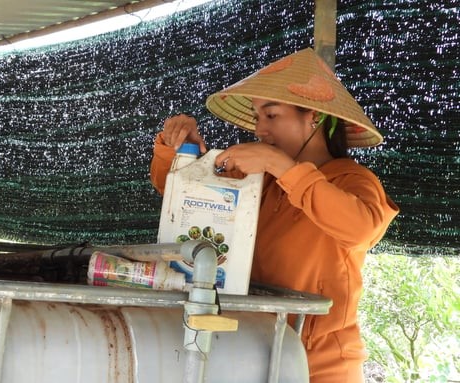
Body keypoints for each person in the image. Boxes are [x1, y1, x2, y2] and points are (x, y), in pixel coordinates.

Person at [149, 48, 399, 382]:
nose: (260, 130)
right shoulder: (260, 182)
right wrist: (179, 152)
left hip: (319, 365)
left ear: (315, 116)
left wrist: (280, 165)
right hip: (249, 351)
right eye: (256, 118)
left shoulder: (353, 180)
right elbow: (186, 200)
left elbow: (361, 228)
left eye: (271, 116)